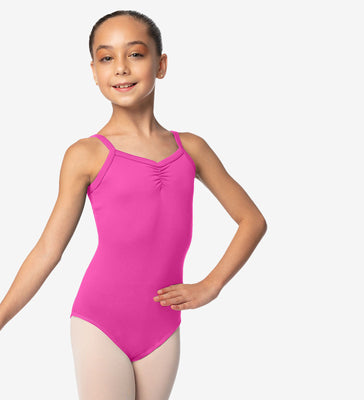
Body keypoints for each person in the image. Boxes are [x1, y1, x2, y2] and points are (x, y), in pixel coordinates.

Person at [0, 9, 267, 400]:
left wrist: (212, 285)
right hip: (100, 321)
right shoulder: (86, 154)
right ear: (94, 72)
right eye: (107, 57)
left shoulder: (191, 148)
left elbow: (252, 220)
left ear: (161, 64)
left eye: (136, 54)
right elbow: (47, 250)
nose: (121, 68)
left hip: (163, 325)